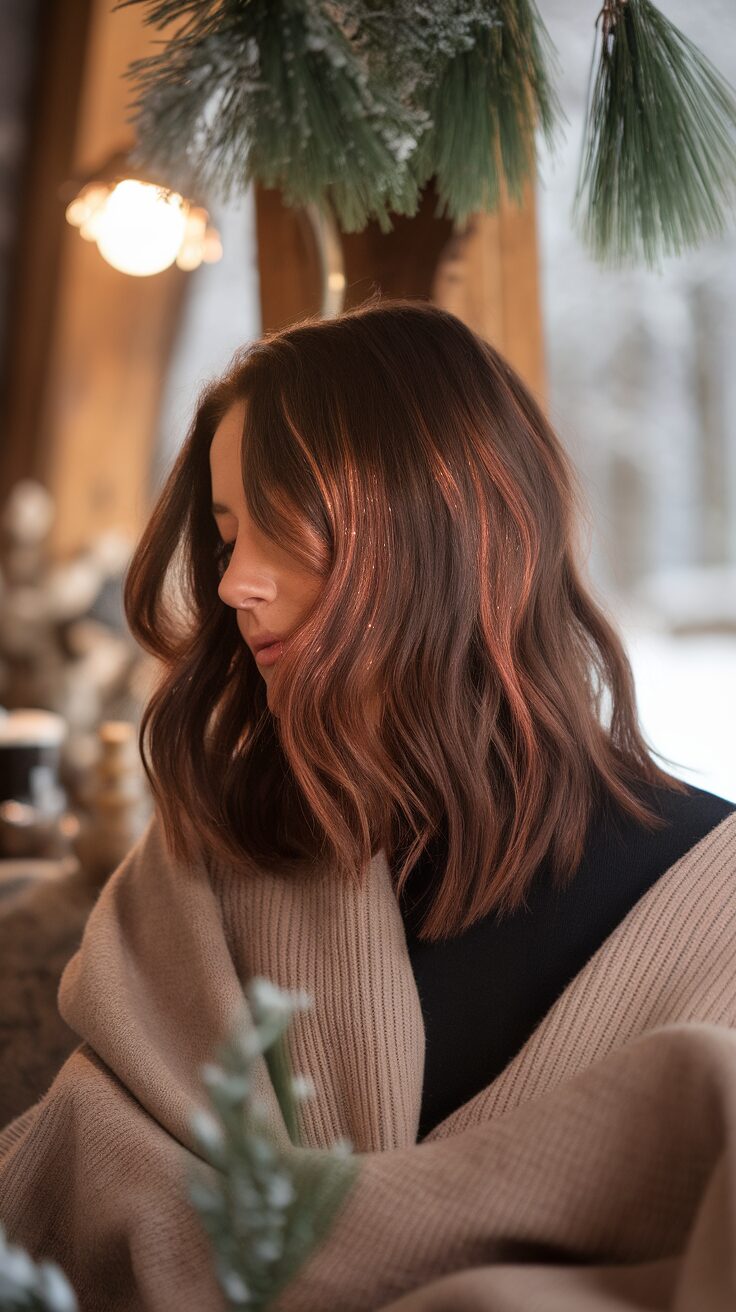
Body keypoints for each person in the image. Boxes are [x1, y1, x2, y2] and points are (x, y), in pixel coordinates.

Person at [1, 297, 735, 1311]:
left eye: (285, 525)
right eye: (224, 538)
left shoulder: (717, 909)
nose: (233, 585)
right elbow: (75, 1169)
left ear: (444, 523)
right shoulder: (210, 859)